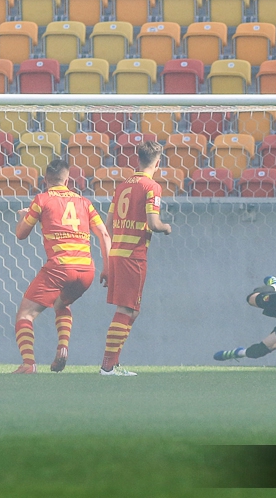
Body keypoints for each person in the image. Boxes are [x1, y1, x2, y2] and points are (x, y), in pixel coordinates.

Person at [11, 159, 111, 374]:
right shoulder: (84, 202)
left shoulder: (42, 199)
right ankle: (63, 348)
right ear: (67, 181)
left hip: (60, 267)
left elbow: (21, 234)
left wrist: (22, 217)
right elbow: (104, 234)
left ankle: (28, 364)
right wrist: (108, 267)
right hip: (86, 270)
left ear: (44, 181)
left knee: (25, 315)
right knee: (61, 304)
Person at [100, 141, 172, 377]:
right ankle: (107, 366)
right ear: (158, 163)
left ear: (138, 160)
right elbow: (153, 223)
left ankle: (113, 363)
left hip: (118, 253)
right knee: (125, 309)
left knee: (133, 310)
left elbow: (108, 225)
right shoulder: (152, 187)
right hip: (134, 256)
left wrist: (108, 260)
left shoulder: (122, 186)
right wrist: (166, 227)